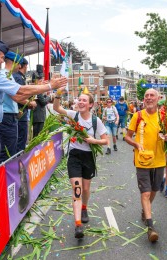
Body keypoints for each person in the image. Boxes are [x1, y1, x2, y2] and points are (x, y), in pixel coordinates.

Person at [0, 36, 67, 180]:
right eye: (1, 57)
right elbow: (20, 91)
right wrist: (50, 86)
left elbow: (17, 96)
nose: (2, 61)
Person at [54, 91, 108, 239]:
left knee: (85, 188)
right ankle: (78, 224)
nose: (81, 102)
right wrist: (58, 94)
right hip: (74, 156)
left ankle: (84, 208)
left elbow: (105, 140)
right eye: (79, 100)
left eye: (84, 100)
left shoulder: (96, 121)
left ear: (91, 104)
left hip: (88, 156)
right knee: (77, 189)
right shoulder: (73, 115)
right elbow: (57, 108)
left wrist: (93, 141)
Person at [124, 88, 167, 242]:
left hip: (159, 160)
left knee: (153, 190)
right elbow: (127, 137)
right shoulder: (137, 116)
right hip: (142, 160)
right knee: (145, 193)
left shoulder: (165, 117)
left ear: (158, 98)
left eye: (152, 95)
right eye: (146, 96)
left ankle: (145, 210)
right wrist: (136, 144)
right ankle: (150, 227)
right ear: (144, 99)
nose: (149, 98)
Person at [0, 51, 22, 161]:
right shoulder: (5, 76)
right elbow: (16, 96)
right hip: (6, 117)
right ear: (13, 62)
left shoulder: (9, 76)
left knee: (10, 148)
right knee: (7, 151)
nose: (20, 66)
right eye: (19, 63)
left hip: (9, 116)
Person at [14, 57, 36, 152]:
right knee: (21, 140)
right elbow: (19, 96)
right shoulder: (19, 78)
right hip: (21, 113)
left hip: (19, 113)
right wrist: (30, 103)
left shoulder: (16, 77)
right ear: (25, 66)